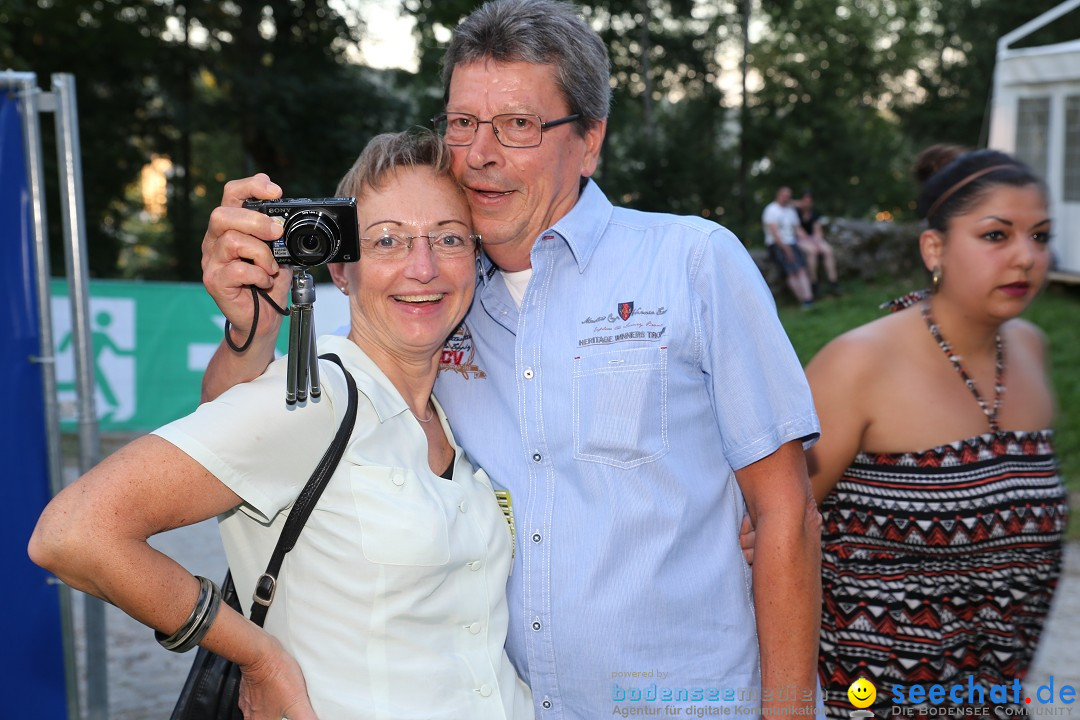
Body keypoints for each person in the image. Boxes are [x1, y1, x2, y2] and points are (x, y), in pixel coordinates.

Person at [200, 1, 824, 716]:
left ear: (590, 142)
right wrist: (247, 323)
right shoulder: (428, 292)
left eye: (519, 125)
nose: (480, 154)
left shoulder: (691, 263)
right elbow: (228, 430)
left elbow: (786, 514)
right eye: (462, 123)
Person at [30, 131, 534, 720]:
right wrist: (258, 656)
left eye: (447, 238)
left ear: (474, 256)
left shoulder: (465, 410)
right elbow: (73, 532)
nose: (422, 267)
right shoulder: (313, 402)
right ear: (340, 269)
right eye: (388, 241)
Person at [806, 145, 1067, 717]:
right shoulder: (858, 365)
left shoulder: (1031, 351)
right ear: (935, 248)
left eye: (1041, 236)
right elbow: (767, 531)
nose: (1025, 257)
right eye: (996, 236)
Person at [763, 186, 815, 308]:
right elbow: (774, 233)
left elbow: (797, 229)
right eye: (784, 195)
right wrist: (786, 249)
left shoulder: (790, 210)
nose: (786, 198)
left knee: (801, 269)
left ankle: (808, 299)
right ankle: (804, 300)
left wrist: (809, 240)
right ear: (778, 195)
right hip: (777, 244)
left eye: (788, 196)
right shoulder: (771, 210)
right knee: (792, 272)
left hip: (791, 242)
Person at [794, 190, 841, 297]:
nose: (807, 204)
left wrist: (817, 241)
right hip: (801, 239)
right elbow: (798, 230)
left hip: (813, 238)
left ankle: (833, 281)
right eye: (805, 201)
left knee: (828, 251)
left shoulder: (814, 212)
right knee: (812, 252)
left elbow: (817, 229)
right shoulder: (795, 212)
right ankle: (814, 282)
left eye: (809, 201)